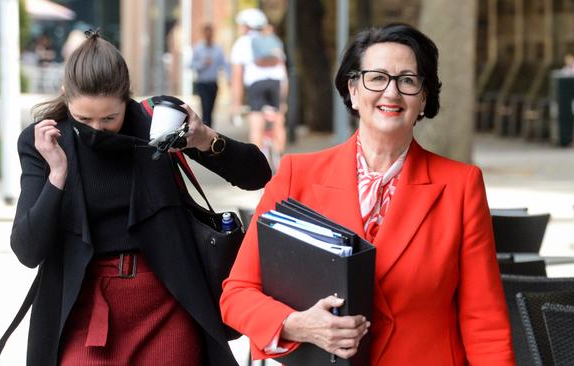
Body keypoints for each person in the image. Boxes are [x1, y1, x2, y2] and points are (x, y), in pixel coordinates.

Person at [220, 23, 515, 365]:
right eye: (377, 78)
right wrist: (298, 325)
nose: (391, 93)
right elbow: (237, 295)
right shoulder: (296, 175)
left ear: (423, 98)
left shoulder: (461, 185)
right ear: (354, 90)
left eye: (407, 80)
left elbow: (485, 321)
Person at [10, 30, 271, 365]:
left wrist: (205, 138)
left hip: (165, 303)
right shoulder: (45, 142)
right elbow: (27, 250)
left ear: (126, 99)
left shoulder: (157, 123)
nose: (97, 129)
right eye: (84, 119)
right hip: (87, 308)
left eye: (109, 118)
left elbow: (257, 176)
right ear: (65, 97)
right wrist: (57, 175)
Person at [230, 8, 288, 164]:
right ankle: (279, 159)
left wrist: (235, 105)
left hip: (256, 86)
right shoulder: (273, 39)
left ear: (247, 26)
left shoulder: (241, 43)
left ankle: (258, 164)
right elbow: (282, 70)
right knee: (278, 121)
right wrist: (283, 100)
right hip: (276, 83)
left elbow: (237, 77)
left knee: (256, 126)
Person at [191, 24, 227, 127]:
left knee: (211, 109)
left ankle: (209, 130)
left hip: (213, 83)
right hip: (202, 83)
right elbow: (191, 65)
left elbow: (223, 64)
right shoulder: (198, 48)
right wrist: (202, 64)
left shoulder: (218, 49)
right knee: (205, 108)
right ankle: (205, 129)